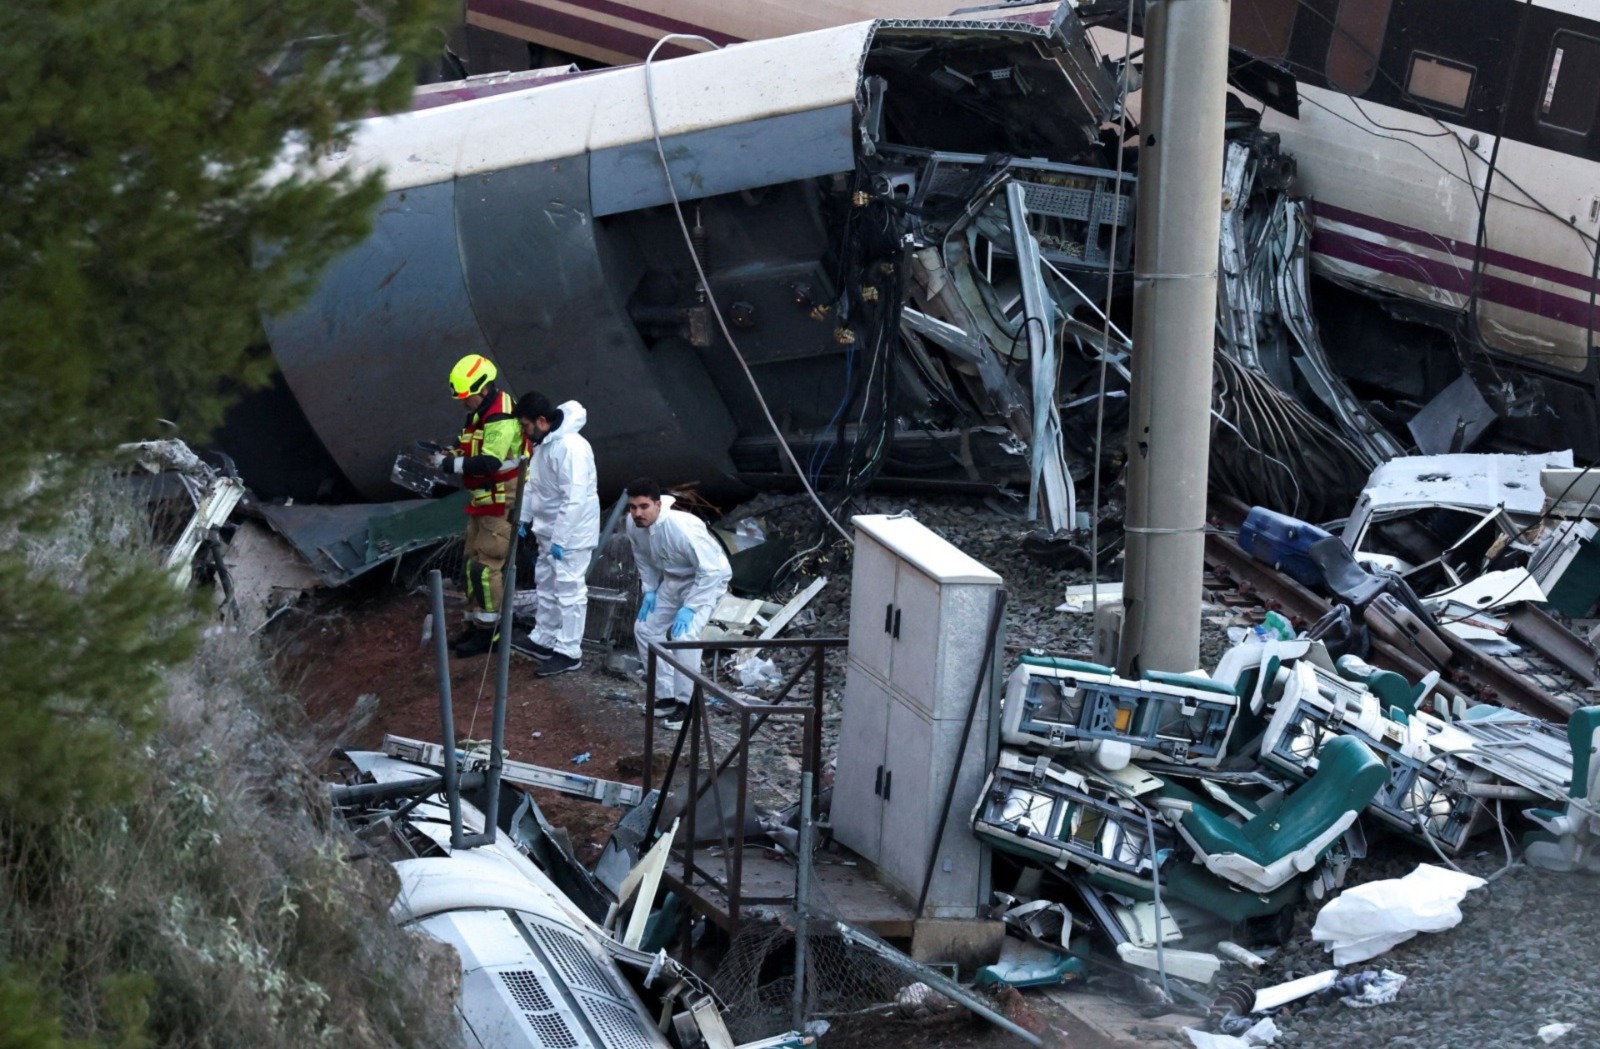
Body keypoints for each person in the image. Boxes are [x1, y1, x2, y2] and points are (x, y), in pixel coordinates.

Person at [432, 354, 526, 657]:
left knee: (486, 567)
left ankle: (491, 633)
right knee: (472, 563)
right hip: (484, 499)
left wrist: (450, 464)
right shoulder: (480, 413)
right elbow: (473, 448)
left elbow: (489, 461)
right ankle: (476, 625)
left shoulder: (500, 417)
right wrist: (453, 453)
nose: (463, 403)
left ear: (483, 390)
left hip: (500, 501)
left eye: (466, 397)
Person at [625, 478, 732, 728]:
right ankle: (666, 696)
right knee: (645, 629)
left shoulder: (681, 527)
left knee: (685, 637)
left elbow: (711, 570)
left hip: (703, 582)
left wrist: (692, 606)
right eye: (632, 507)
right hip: (672, 581)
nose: (638, 513)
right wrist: (650, 590)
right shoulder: (633, 525)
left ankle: (689, 704)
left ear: (658, 505)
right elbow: (642, 558)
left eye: (643, 506)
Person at [511, 393, 599, 676]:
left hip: (571, 535)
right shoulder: (544, 445)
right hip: (549, 531)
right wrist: (524, 517)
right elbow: (535, 485)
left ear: (541, 421)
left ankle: (569, 651)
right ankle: (544, 637)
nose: (524, 432)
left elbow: (574, 499)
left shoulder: (571, 448)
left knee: (570, 591)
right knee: (546, 585)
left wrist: (560, 539)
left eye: (526, 425)